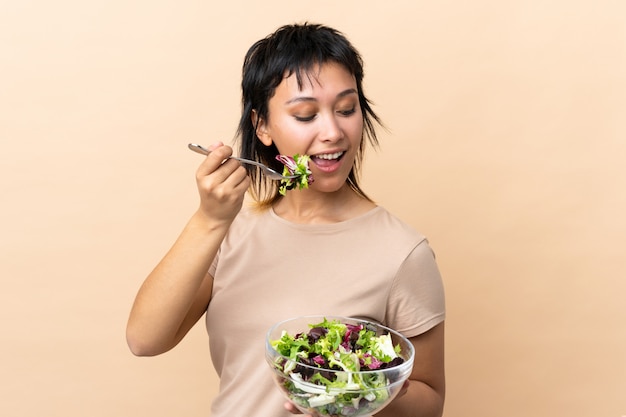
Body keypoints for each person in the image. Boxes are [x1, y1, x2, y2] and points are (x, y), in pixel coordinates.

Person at [126, 22, 446, 417]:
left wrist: (359, 397)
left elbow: (430, 400)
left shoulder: (403, 252)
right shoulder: (229, 233)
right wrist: (208, 220)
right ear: (262, 126)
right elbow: (145, 340)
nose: (333, 131)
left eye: (347, 109)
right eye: (306, 115)